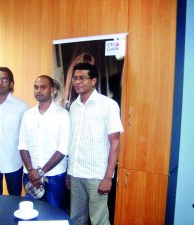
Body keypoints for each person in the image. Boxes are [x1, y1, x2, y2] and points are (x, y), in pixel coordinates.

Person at [67, 63, 124, 225]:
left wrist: (108, 177)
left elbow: (115, 143)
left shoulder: (108, 105)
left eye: (82, 78)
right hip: (76, 173)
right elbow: (74, 141)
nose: (77, 82)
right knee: (76, 219)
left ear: (93, 81)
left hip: (97, 175)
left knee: (99, 220)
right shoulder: (74, 107)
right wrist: (70, 171)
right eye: (75, 78)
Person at [18, 75, 71, 211]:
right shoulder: (28, 115)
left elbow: (62, 149)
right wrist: (31, 170)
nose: (38, 91)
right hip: (30, 175)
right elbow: (22, 145)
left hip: (55, 176)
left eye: (43, 87)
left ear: (52, 90)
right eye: (36, 87)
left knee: (54, 215)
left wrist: (41, 172)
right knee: (30, 214)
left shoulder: (62, 115)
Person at [0, 67, 29, 196]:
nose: (0, 83)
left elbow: (25, 136)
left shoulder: (22, 106)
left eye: (4, 79)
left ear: (11, 83)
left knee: (15, 201)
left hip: (13, 162)